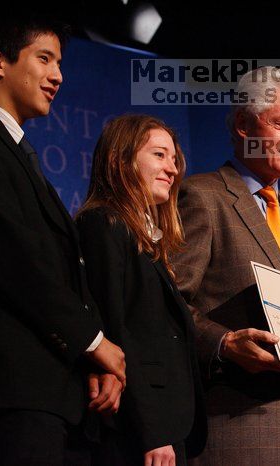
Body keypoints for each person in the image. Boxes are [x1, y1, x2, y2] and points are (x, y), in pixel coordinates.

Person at [0, 15, 125, 465]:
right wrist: (95, 343)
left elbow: (65, 271)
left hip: (61, 400)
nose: (58, 75)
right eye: (44, 58)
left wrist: (93, 361)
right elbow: (14, 260)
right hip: (12, 401)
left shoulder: (16, 151)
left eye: (59, 62)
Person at [171, 67, 280, 465]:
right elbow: (168, 304)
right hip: (240, 427)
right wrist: (224, 344)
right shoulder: (203, 196)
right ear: (244, 126)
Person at [75, 114, 207, 466]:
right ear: (120, 160)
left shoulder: (148, 241)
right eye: (159, 155)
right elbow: (116, 329)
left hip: (166, 426)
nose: (172, 169)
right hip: (136, 431)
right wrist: (152, 431)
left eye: (175, 160)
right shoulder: (104, 223)